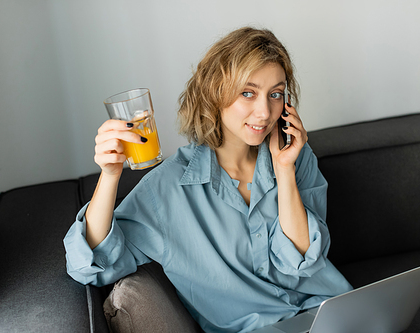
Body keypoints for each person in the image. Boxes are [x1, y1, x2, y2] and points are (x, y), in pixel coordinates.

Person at [64, 26, 352, 333]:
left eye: (276, 94)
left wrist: (284, 170)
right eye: (248, 93)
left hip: (335, 313)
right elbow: (91, 264)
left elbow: (303, 262)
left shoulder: (296, 156)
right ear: (215, 94)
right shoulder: (168, 189)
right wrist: (109, 175)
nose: (265, 111)